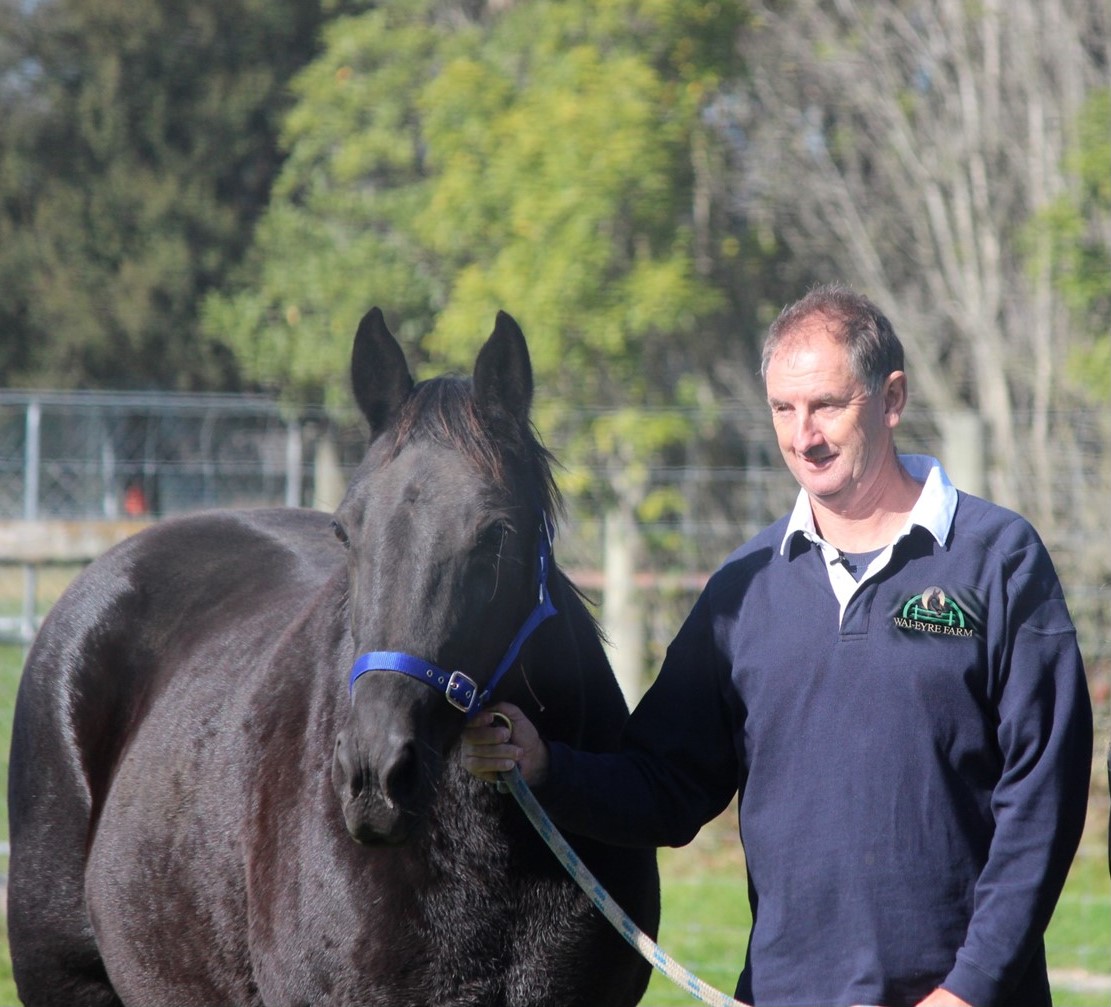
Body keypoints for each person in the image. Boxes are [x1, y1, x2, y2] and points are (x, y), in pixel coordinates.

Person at [463, 284, 1093, 1007]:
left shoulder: (998, 559)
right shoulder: (745, 587)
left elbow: (1042, 798)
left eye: (826, 405)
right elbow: (666, 785)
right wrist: (545, 765)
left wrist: (969, 989)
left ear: (891, 398)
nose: (803, 436)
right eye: (782, 409)